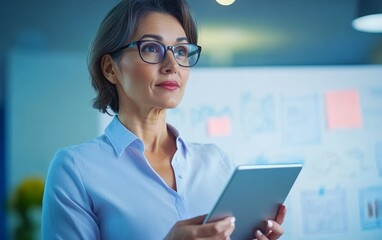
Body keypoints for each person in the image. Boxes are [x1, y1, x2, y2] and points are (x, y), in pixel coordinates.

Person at [41, 0, 286, 239]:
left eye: (180, 50)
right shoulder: (75, 170)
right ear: (110, 69)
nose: (172, 65)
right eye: (150, 48)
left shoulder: (215, 162)